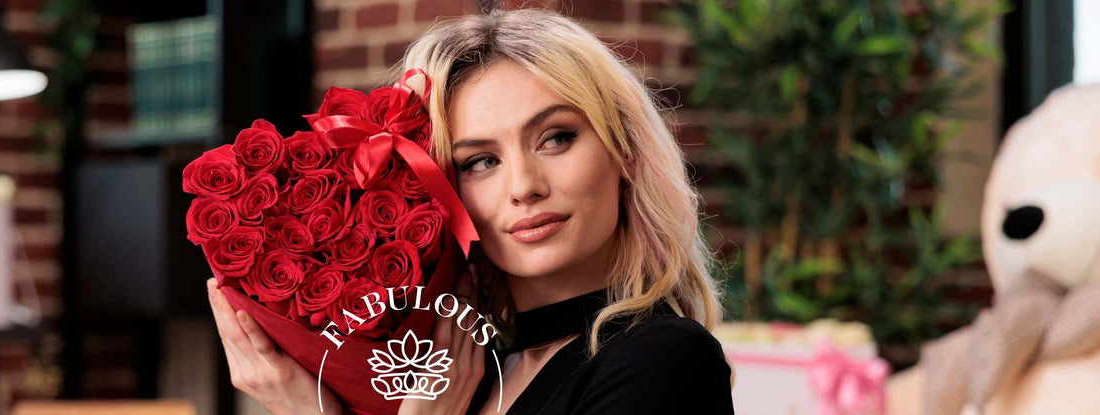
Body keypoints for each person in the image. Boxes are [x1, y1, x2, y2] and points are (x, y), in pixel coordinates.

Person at [206, 8, 733, 414]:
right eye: (480, 161)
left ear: (624, 151)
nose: (524, 187)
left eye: (556, 138)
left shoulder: (664, 359)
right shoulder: (466, 374)